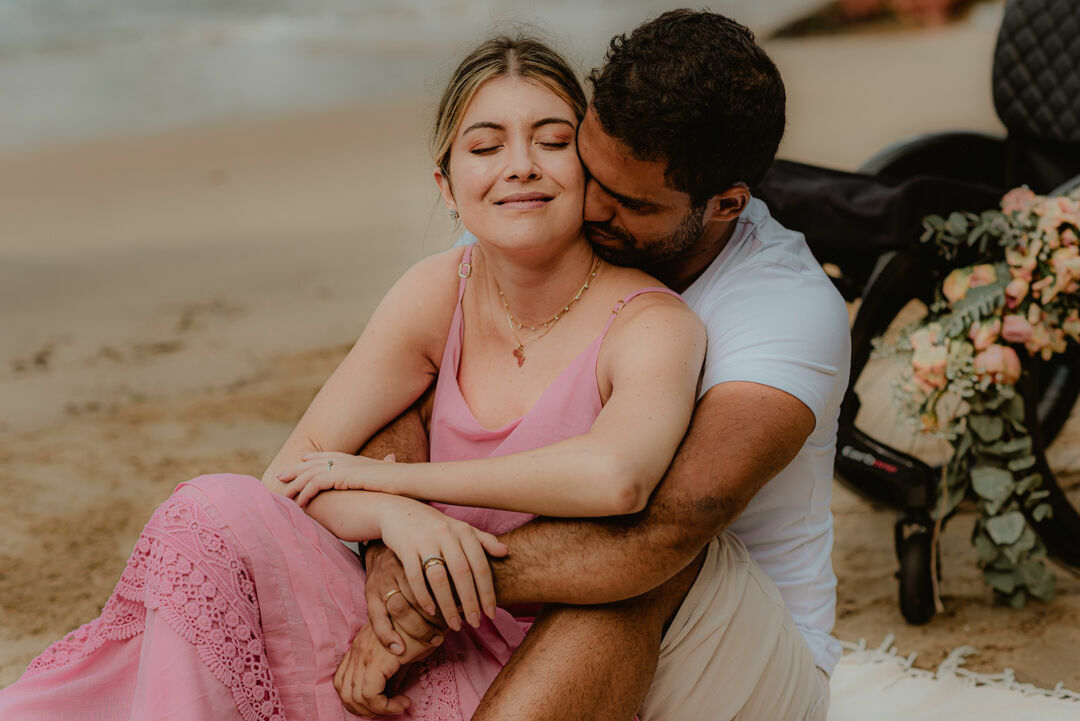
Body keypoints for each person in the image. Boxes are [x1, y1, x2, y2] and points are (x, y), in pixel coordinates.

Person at [0, 33, 812, 721]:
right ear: (447, 186)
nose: (520, 166)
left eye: (553, 141)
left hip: (528, 660)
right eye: (485, 147)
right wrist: (400, 518)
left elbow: (618, 476)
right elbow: (293, 471)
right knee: (208, 508)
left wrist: (408, 486)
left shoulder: (653, 322)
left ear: (592, 167)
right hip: (386, 617)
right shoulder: (438, 289)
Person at [350, 10, 851, 721]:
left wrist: (429, 587)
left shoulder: (785, 311)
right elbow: (402, 386)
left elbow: (668, 526)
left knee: (643, 568)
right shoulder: (552, 210)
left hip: (732, 654)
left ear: (726, 205)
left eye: (631, 203)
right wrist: (390, 537)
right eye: (590, 169)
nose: (588, 207)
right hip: (515, 607)